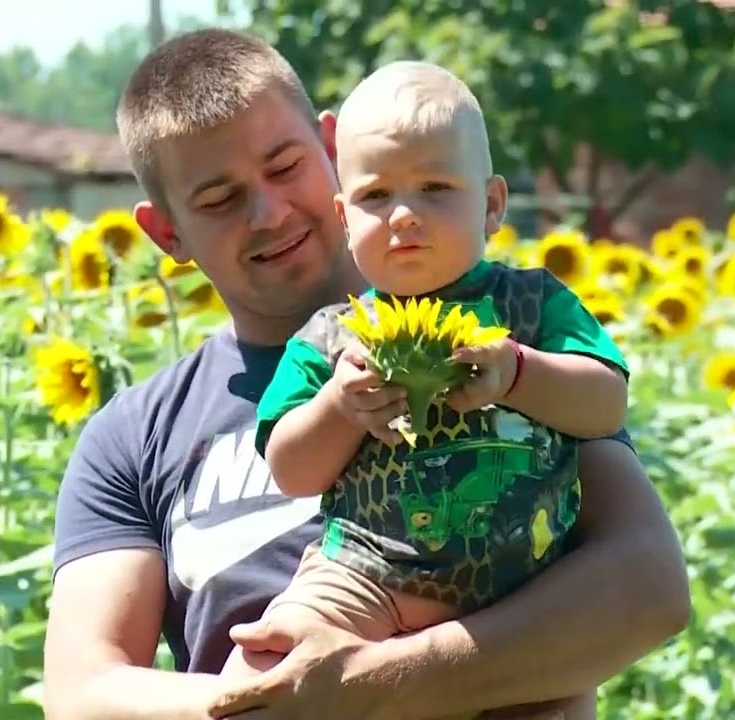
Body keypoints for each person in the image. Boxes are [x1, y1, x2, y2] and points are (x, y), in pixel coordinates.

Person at [42, 27, 690, 720]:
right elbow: (83, 695)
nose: (269, 212)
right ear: (167, 234)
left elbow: (649, 587)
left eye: (285, 166)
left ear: (330, 150)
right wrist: (272, 704)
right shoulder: (136, 436)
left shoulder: (508, 326)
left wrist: (376, 684)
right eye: (220, 200)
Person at [222, 61, 629, 720]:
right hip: (364, 580)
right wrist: (339, 407)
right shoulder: (331, 339)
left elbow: (606, 405)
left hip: (524, 596)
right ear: (342, 215)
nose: (405, 215)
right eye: (376, 196)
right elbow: (291, 470)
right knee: (262, 675)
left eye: (436, 188)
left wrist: (520, 373)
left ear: (492, 205)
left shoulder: (531, 306)